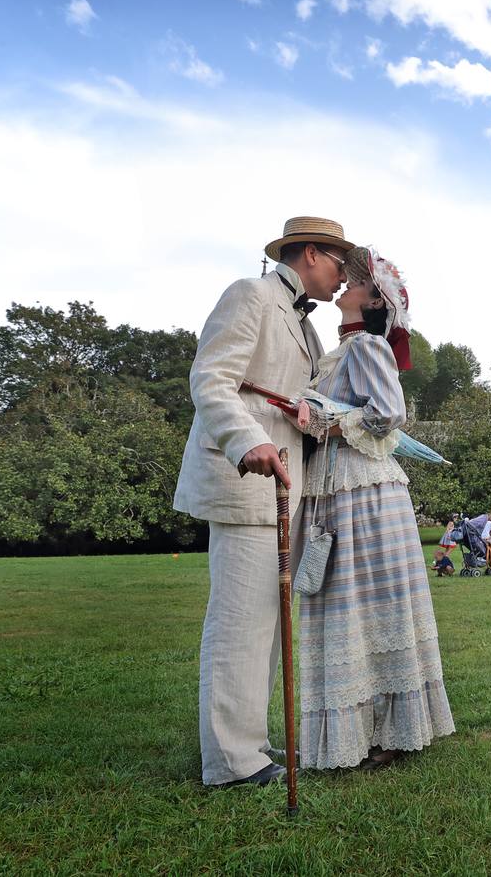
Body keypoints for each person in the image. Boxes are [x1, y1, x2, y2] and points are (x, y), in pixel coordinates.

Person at [173, 216, 352, 787]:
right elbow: (211, 378)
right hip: (246, 479)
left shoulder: (308, 329)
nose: (342, 274)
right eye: (336, 261)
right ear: (308, 254)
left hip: (286, 482)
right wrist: (244, 438)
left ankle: (249, 744)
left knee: (269, 625)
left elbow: (296, 394)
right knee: (240, 623)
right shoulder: (249, 294)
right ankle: (230, 763)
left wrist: (314, 413)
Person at [292, 246, 454, 770]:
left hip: (363, 489)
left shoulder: (365, 346)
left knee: (366, 605)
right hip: (338, 485)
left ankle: (384, 730)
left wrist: (327, 422)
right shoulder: (339, 351)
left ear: (375, 300)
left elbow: (388, 413)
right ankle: (356, 731)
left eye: (357, 281)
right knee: (344, 603)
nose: (345, 285)